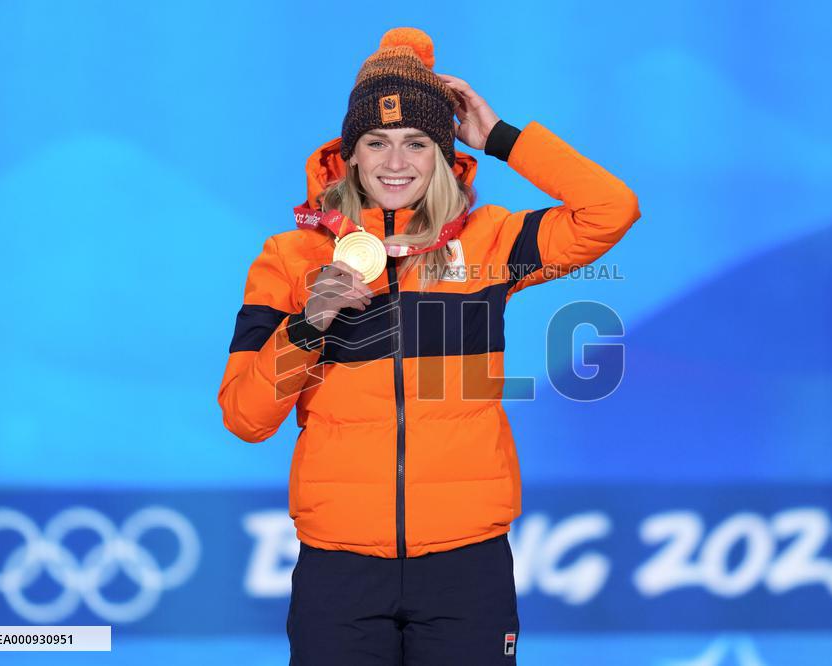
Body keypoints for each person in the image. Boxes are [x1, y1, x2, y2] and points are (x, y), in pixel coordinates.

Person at [217, 27, 641, 665]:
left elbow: (612, 208)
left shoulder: (490, 243)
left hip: (465, 565)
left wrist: (501, 138)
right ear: (348, 154)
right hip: (339, 567)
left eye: (417, 142)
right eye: (376, 142)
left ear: (443, 154)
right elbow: (246, 418)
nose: (395, 163)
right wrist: (308, 325)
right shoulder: (290, 257)